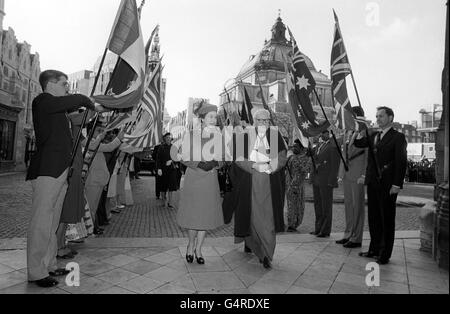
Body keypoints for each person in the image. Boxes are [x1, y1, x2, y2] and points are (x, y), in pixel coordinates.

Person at [25, 70, 104, 288]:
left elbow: (81, 115)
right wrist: (88, 101)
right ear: (50, 84)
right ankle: (36, 271)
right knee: (41, 222)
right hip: (47, 170)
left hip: (60, 170)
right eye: (64, 83)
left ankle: (48, 264)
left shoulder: (59, 110)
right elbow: (78, 100)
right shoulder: (43, 101)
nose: (67, 87)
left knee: (51, 222)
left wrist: (98, 107)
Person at [223, 109, 287, 269]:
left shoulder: (275, 136)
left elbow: (282, 156)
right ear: (254, 121)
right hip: (250, 184)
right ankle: (258, 250)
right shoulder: (244, 136)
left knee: (268, 222)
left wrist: (272, 166)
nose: (263, 123)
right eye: (260, 120)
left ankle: (267, 253)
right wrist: (254, 165)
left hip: (270, 185)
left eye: (266, 120)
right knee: (252, 219)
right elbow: (238, 159)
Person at [355, 107, 407, 265]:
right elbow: (358, 143)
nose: (378, 119)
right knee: (374, 218)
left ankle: (385, 254)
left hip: (388, 184)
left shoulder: (398, 137)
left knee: (386, 219)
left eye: (381, 116)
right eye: (376, 116)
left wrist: (397, 184)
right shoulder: (374, 135)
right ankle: (374, 249)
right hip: (373, 183)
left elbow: (401, 162)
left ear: (390, 117)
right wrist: (360, 129)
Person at [177, 104, 224, 265]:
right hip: (194, 179)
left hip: (210, 180)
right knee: (194, 215)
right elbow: (183, 156)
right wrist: (199, 164)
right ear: (203, 118)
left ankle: (199, 249)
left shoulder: (219, 135)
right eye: (210, 116)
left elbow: (225, 157)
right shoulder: (191, 134)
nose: (213, 119)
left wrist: (216, 163)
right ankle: (190, 246)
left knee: (205, 215)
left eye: (215, 116)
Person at [336, 107, 368, 248]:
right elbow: (344, 153)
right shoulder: (348, 131)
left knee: (357, 206)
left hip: (358, 174)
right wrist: (341, 173)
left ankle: (357, 237)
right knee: (349, 205)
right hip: (348, 174)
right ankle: (348, 233)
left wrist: (364, 174)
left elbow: (368, 154)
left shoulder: (364, 129)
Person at [84, 121, 123, 235]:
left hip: (98, 180)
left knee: (93, 208)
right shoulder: (91, 143)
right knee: (91, 207)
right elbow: (109, 147)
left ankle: (91, 229)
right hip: (93, 181)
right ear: (91, 131)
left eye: (101, 131)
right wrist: (118, 138)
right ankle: (89, 231)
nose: (101, 133)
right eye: (98, 131)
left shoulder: (94, 142)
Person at [310, 130, 341, 238]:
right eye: (321, 133)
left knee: (326, 206)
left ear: (330, 134)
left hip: (326, 180)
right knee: (318, 205)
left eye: (324, 133)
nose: (322, 135)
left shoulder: (333, 146)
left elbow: (335, 165)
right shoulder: (319, 145)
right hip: (317, 179)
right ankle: (318, 228)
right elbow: (313, 157)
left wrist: (332, 180)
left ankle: (325, 230)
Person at [285, 139, 312, 232]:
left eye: (296, 147)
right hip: (288, 185)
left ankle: (294, 224)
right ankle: (290, 224)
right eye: (293, 146)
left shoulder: (305, 158)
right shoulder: (291, 157)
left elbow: (305, 171)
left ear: (301, 148)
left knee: (298, 206)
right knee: (290, 205)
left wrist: (295, 185)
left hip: (297, 186)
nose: (293, 148)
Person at [156, 133, 180, 209]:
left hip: (171, 170)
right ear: (164, 139)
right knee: (163, 187)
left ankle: (170, 202)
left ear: (171, 139)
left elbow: (177, 158)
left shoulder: (174, 147)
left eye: (169, 138)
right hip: (163, 170)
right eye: (167, 138)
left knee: (171, 187)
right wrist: (159, 168)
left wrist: (172, 161)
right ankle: (163, 201)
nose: (168, 139)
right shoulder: (161, 147)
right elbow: (158, 159)